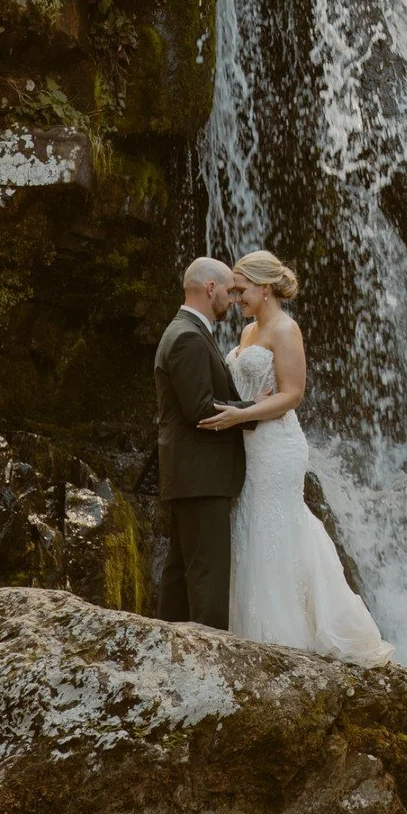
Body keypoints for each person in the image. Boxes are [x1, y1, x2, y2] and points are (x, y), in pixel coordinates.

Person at [198, 248, 393, 665]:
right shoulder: (249, 332)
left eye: (241, 290)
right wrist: (244, 409)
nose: (235, 299)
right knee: (251, 527)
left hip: (277, 447)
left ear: (265, 288)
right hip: (249, 443)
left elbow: (293, 395)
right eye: (233, 292)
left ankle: (286, 640)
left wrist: (245, 412)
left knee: (274, 530)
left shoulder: (287, 330)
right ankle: (251, 634)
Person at [153, 256, 247, 628]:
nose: (234, 298)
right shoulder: (188, 337)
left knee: (179, 576)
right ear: (211, 289)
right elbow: (200, 410)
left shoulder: (184, 331)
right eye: (230, 291)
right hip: (200, 478)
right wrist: (255, 408)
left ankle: (164, 648)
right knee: (208, 581)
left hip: (190, 477)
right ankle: (210, 666)